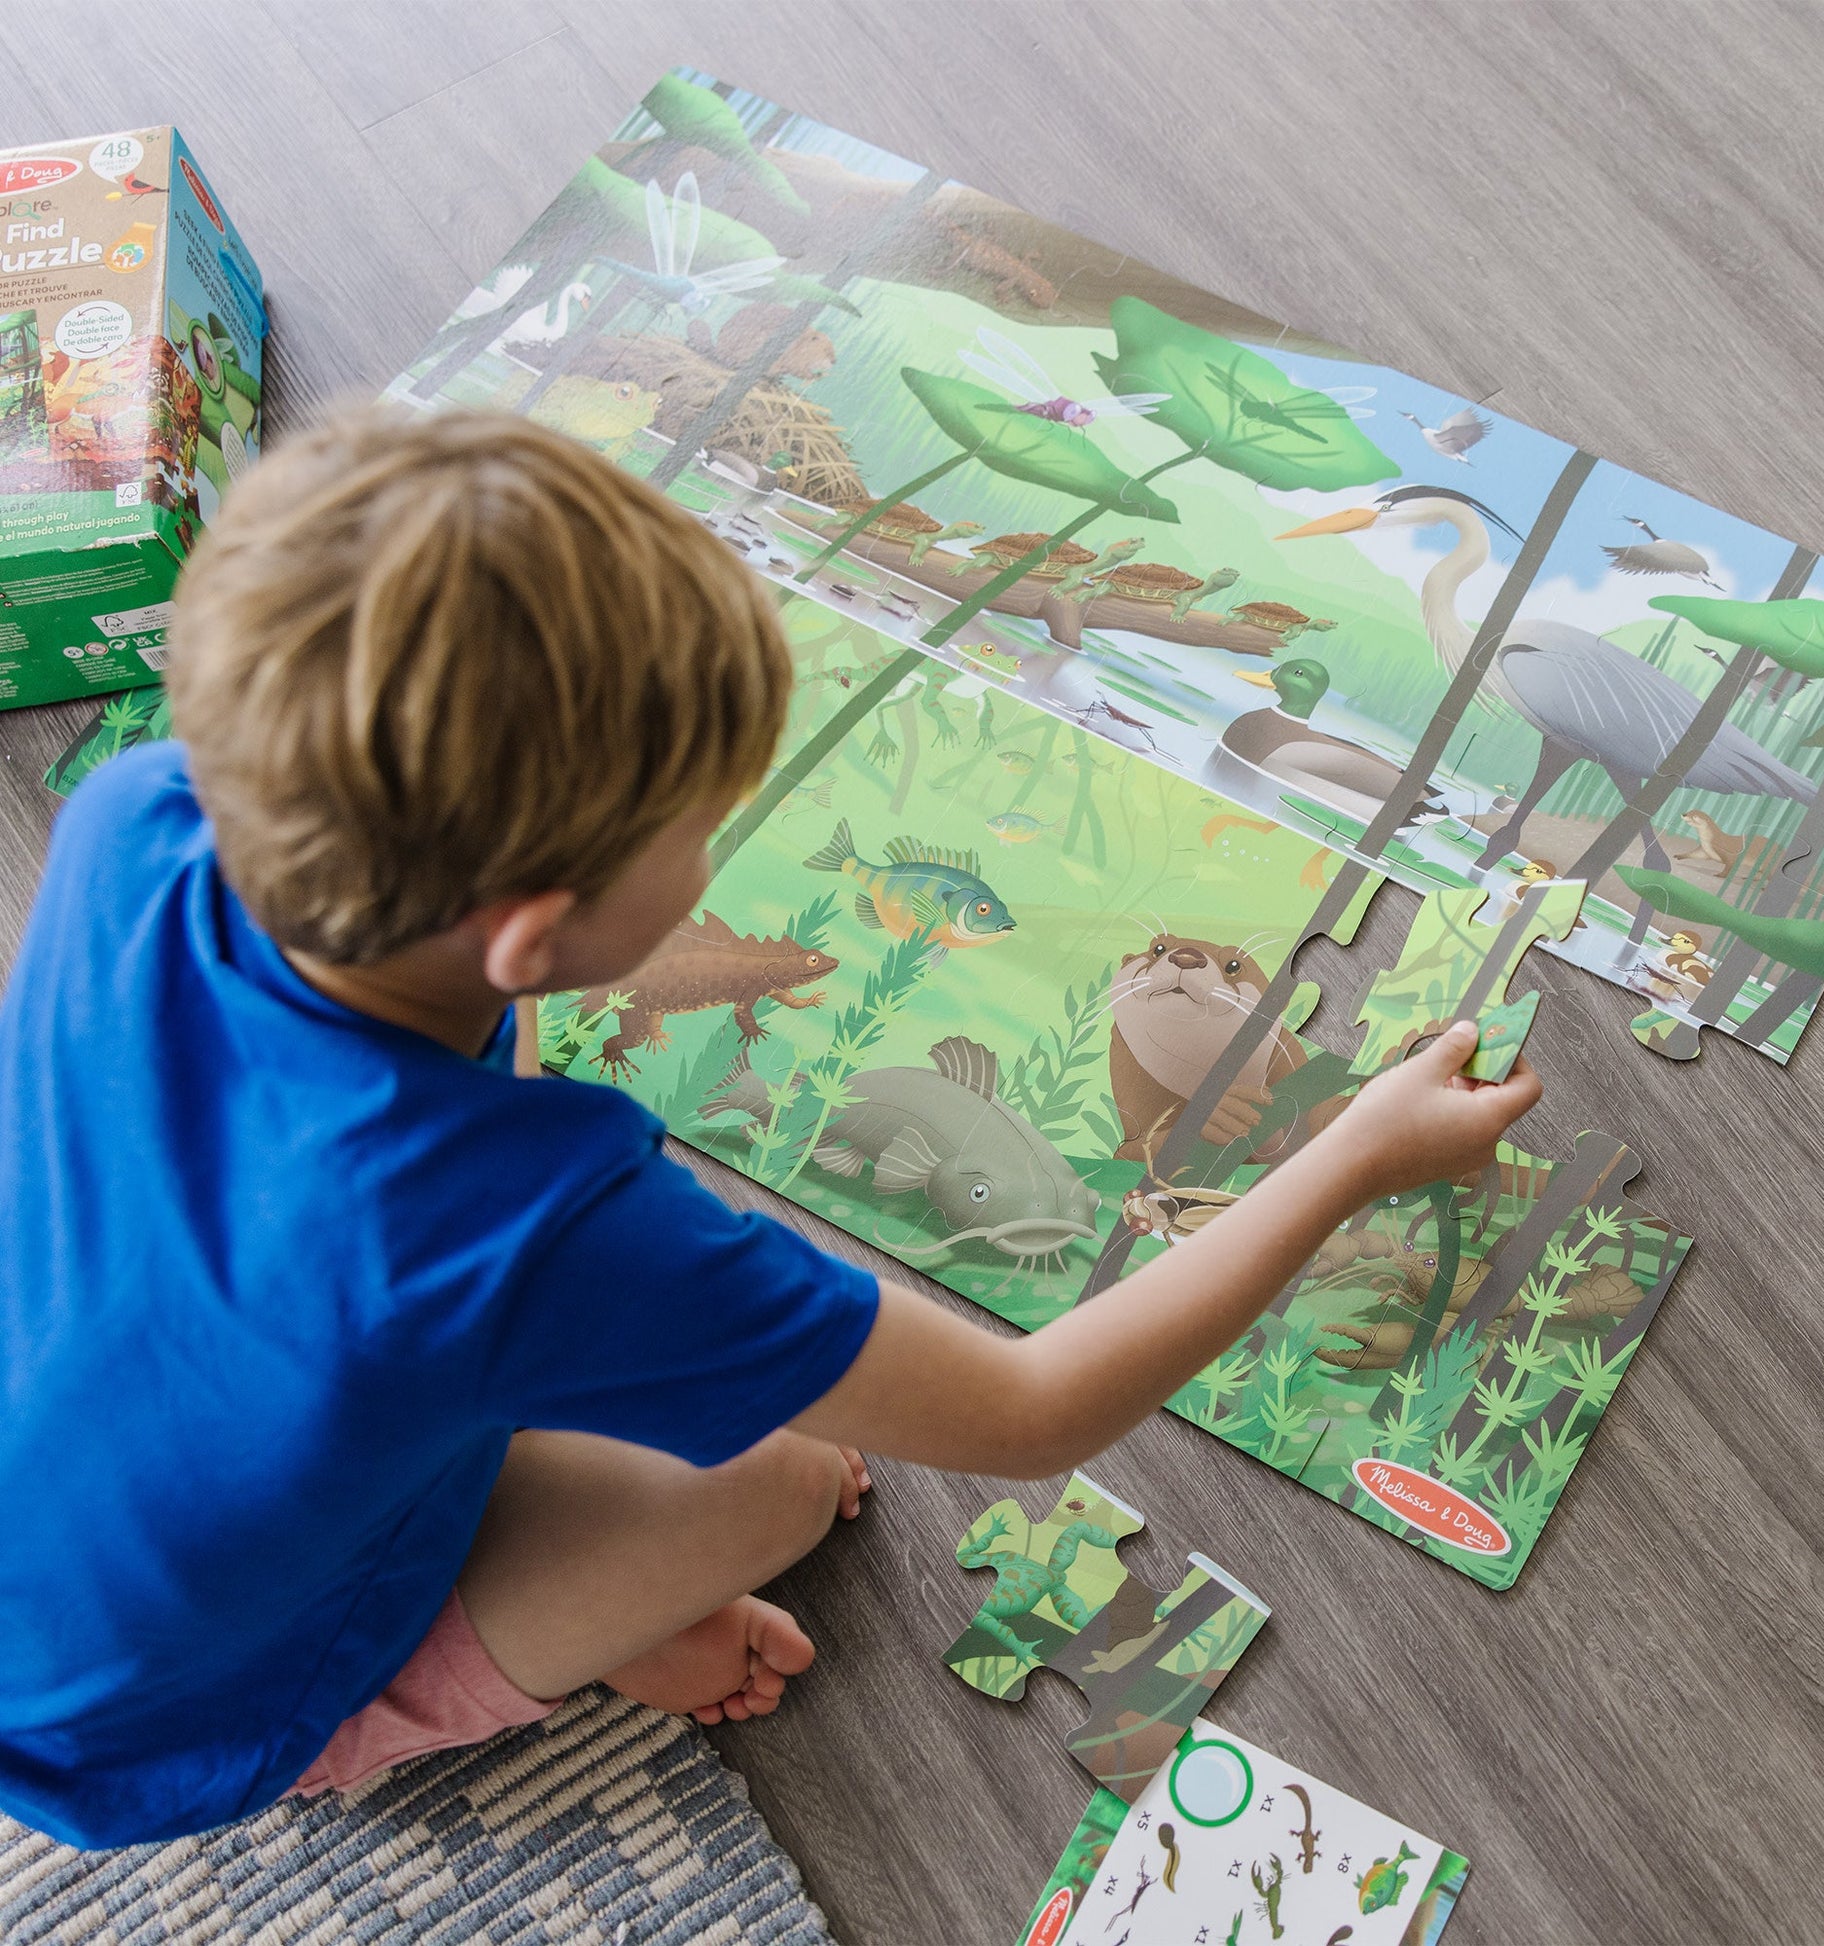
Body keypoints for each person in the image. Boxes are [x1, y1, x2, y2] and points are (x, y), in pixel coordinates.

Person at [0, 411, 1541, 1848]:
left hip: (105, 1452)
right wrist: (1352, 1155)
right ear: (534, 931)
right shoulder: (531, 1234)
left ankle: (555, 1564)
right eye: (702, 827)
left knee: (473, 1376)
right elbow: (1031, 1413)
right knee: (795, 1480)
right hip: (164, 1727)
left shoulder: (141, 816)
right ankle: (497, 1663)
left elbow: (435, 1106)